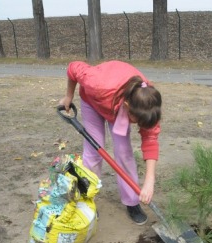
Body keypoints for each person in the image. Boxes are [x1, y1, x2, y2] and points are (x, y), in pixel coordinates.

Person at [58, 60, 162, 225]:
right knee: (93, 152)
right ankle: (87, 201)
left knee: (124, 152)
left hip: (118, 105)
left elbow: (150, 140)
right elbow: (73, 67)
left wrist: (149, 182)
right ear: (127, 107)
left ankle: (132, 202)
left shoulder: (148, 104)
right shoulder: (96, 82)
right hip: (94, 101)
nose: (138, 126)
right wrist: (68, 96)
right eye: (136, 122)